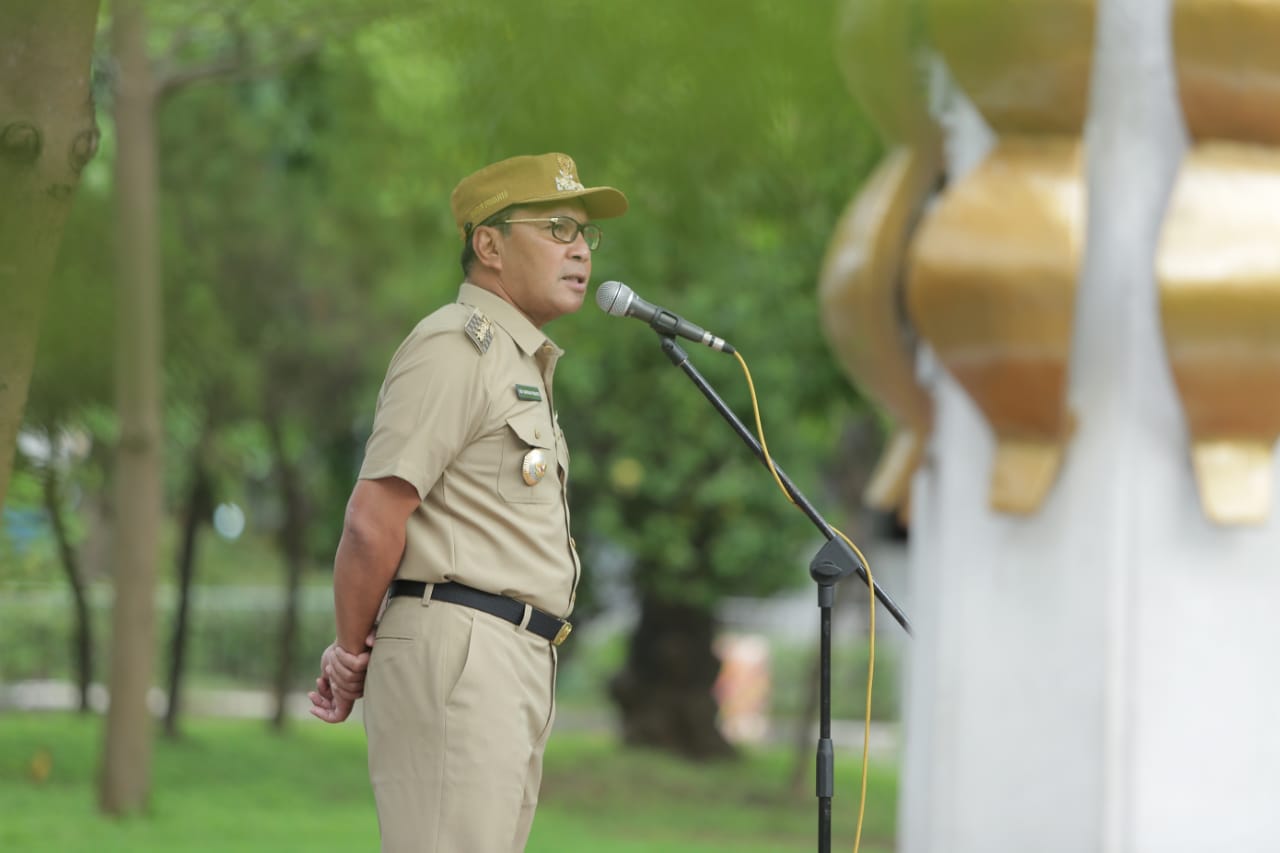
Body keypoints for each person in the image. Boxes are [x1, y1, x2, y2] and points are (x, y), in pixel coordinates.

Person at [307, 152, 627, 852]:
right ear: (489, 245)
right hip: (463, 650)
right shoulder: (456, 347)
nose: (579, 249)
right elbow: (372, 521)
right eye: (557, 228)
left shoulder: (516, 361)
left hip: (513, 656)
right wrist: (350, 651)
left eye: (584, 233)